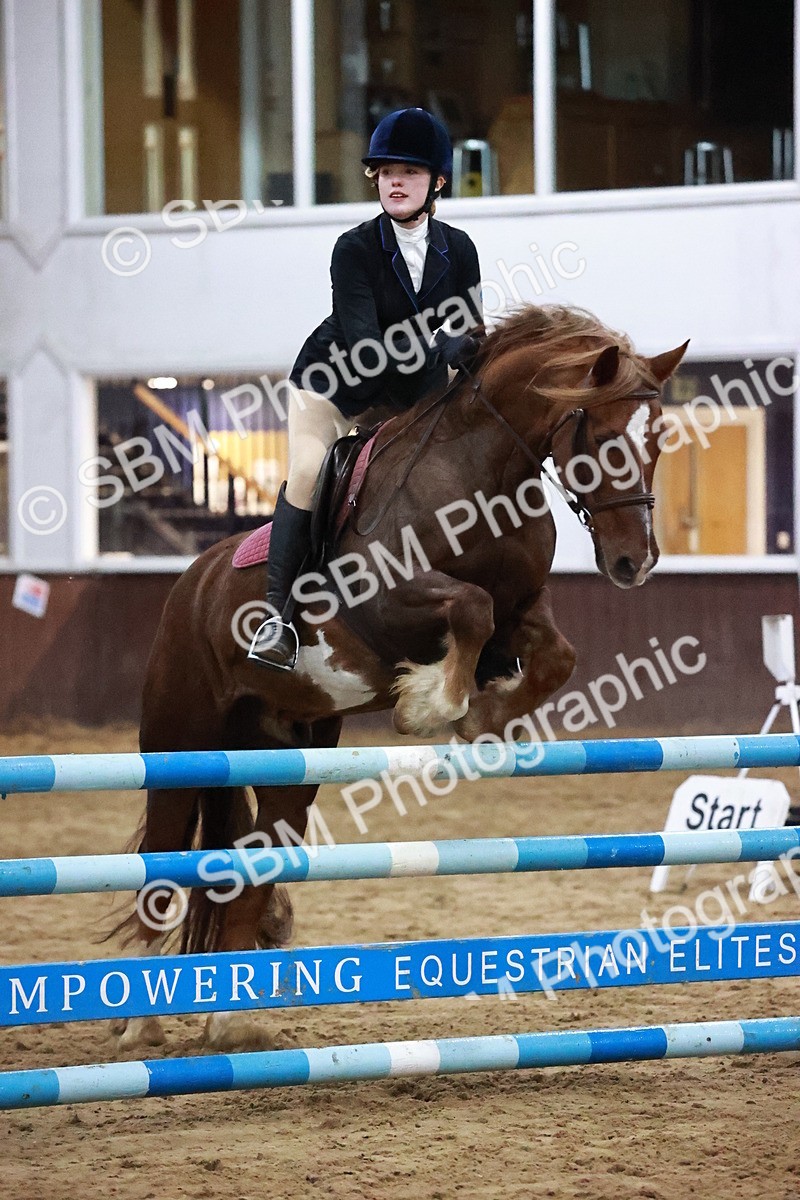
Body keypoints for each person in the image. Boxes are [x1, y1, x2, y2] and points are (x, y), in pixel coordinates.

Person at [248, 107, 484, 671]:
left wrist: (470, 352)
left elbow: (471, 333)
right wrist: (442, 349)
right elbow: (367, 348)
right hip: (335, 386)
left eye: (409, 170)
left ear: (438, 182)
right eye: (384, 170)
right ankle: (276, 618)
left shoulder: (462, 249)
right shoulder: (352, 249)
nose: (395, 181)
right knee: (307, 471)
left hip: (411, 391)